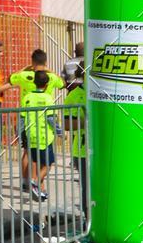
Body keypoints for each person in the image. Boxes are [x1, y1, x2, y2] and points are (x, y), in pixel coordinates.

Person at [7, 50, 64, 190]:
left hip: (28, 120)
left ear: (32, 61)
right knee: (43, 156)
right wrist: (48, 69)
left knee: (28, 153)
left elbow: (10, 78)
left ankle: (26, 182)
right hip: (44, 124)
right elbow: (62, 83)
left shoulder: (24, 75)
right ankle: (38, 183)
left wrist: (26, 68)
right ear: (45, 62)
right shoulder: (50, 78)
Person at [21, 69, 56, 201]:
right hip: (45, 137)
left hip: (31, 136)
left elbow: (22, 117)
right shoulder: (47, 98)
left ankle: (40, 191)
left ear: (34, 83)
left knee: (36, 161)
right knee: (47, 165)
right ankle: (34, 182)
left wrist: (21, 133)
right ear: (47, 84)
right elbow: (51, 118)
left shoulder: (27, 97)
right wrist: (59, 131)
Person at [63, 65, 88, 220]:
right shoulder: (73, 96)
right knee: (88, 189)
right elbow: (66, 125)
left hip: (106, 150)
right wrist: (87, 121)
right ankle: (88, 222)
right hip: (83, 151)